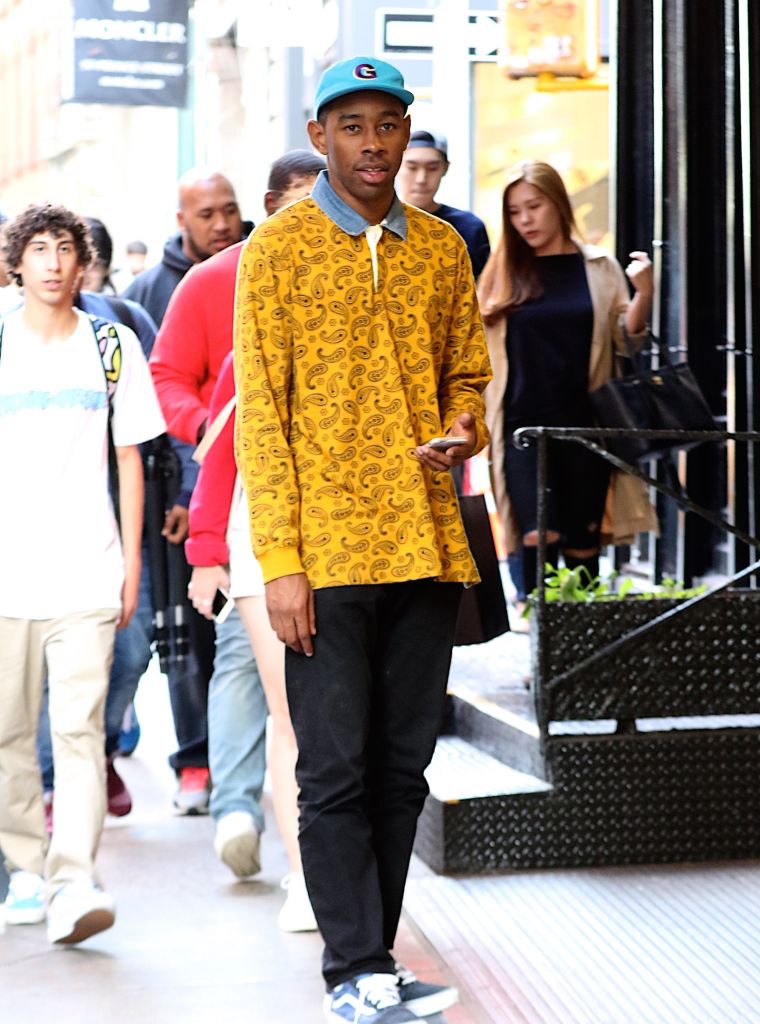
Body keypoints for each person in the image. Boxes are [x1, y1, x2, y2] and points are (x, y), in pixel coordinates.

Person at [233, 56, 491, 1023]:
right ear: (321, 135)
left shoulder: (439, 248)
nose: (374, 143)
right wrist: (283, 564)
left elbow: (470, 373)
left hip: (426, 546)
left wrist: (464, 425)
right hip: (328, 559)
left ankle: (374, 963)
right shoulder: (278, 251)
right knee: (334, 766)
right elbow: (262, 415)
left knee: (402, 767)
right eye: (353, 126)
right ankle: (350, 971)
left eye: (388, 125)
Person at [152, 151, 324, 889]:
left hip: (338, 530)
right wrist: (206, 447)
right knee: (247, 670)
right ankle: (237, 812)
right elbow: (179, 383)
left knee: (315, 704)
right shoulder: (216, 283)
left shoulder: (361, 277)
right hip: (243, 510)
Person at [0, 203, 165, 944]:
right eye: (39, 249)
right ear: (17, 262)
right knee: (7, 734)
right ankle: (26, 869)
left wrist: (130, 563)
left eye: (66, 249)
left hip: (88, 573)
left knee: (79, 730)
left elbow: (132, 458)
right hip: (7, 575)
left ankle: (74, 878)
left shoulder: (111, 345)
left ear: (83, 261)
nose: (54, 263)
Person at [126, 168, 251, 814]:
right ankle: (195, 760)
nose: (222, 223)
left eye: (229, 210)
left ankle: (245, 776)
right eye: (207, 214)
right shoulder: (150, 290)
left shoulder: (265, 266)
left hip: (260, 483)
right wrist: (185, 483)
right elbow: (156, 392)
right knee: (189, 632)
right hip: (189, 491)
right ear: (183, 221)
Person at [478, 160, 657, 599]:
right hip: (521, 430)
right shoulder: (502, 272)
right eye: (515, 212)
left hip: (586, 425)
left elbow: (625, 342)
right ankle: (545, 655)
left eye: (533, 207)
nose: (524, 221)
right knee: (537, 537)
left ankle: (580, 652)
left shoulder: (597, 266)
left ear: (558, 203)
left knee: (583, 541)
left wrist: (645, 293)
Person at [396, 129, 491, 279]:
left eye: (432, 168)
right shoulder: (377, 224)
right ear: (396, 166)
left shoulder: (469, 227)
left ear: (445, 168)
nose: (421, 179)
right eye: (412, 168)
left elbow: (485, 290)